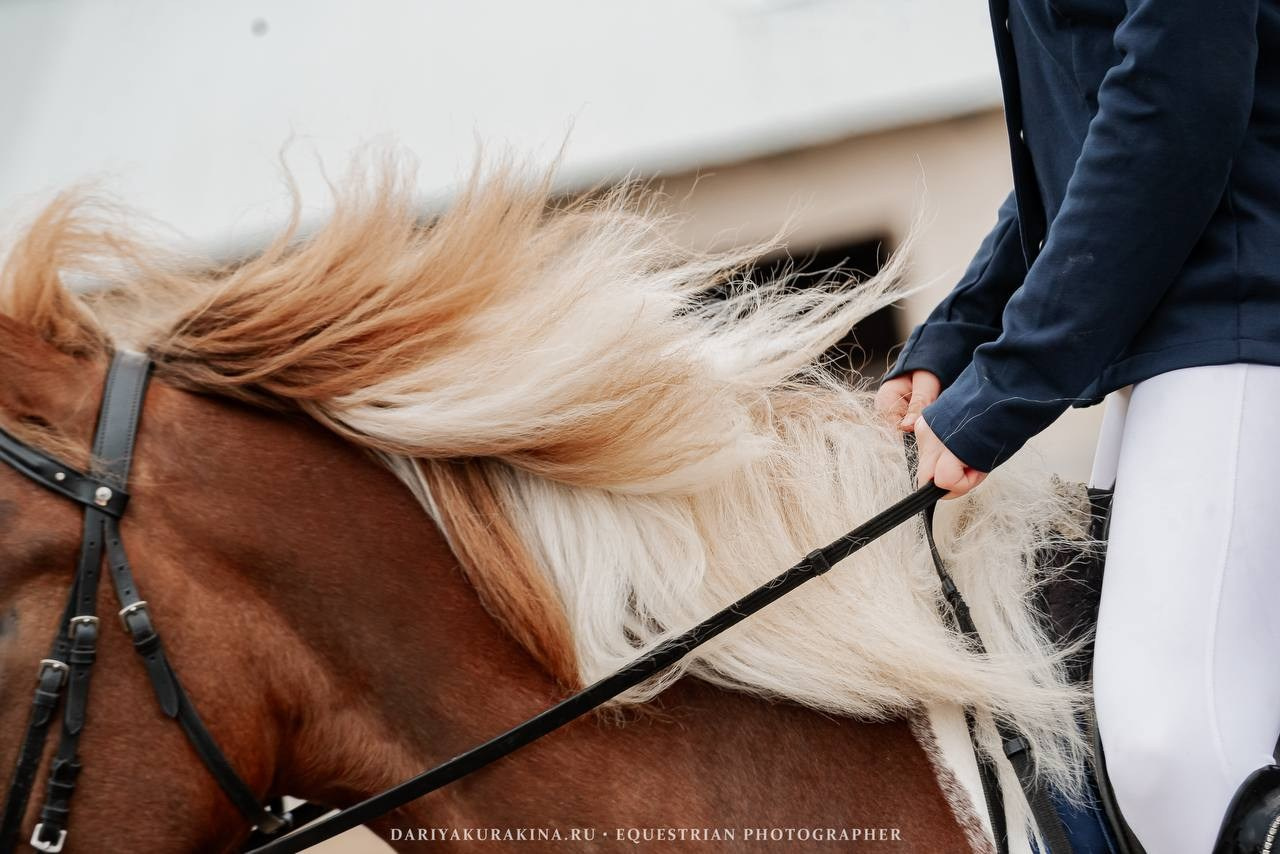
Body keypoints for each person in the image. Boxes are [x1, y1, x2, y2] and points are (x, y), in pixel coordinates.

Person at [873, 1, 1280, 852]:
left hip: (1243, 314)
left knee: (1173, 751)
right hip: (1177, 343)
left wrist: (1010, 380)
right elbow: (1081, 145)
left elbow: (1172, 108)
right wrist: (961, 334)